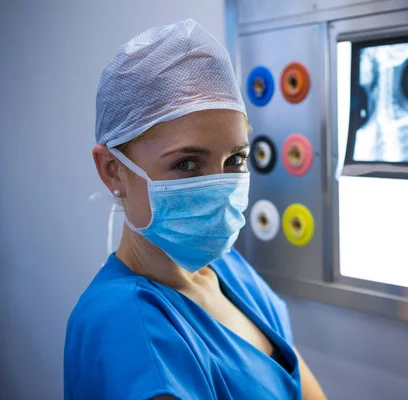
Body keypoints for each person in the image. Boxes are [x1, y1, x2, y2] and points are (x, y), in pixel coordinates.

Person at [64, 19, 327, 400]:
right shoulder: (129, 329)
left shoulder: (226, 268)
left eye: (235, 159)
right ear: (112, 170)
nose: (220, 186)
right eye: (187, 163)